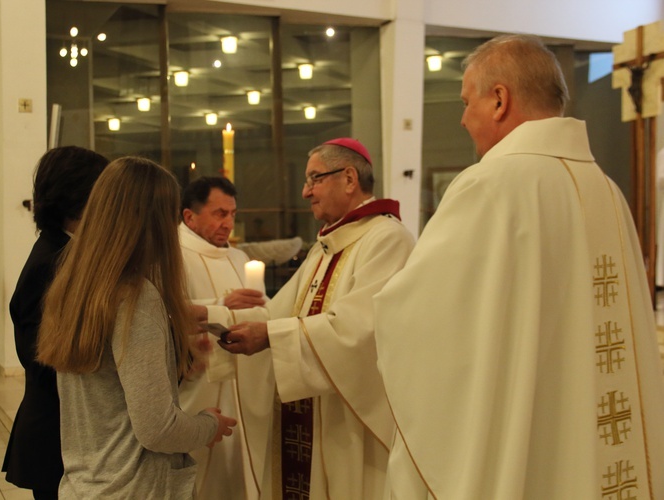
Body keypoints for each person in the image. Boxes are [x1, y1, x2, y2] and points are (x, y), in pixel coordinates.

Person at [374, 34, 664, 499]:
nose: (464, 119)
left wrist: (380, 304)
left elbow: (419, 319)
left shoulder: (491, 184)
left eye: (467, 102)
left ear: (500, 99)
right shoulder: (606, 189)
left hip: (529, 428)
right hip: (592, 432)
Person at [203, 138, 416, 499]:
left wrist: (270, 337)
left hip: (346, 425)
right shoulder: (327, 245)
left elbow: (359, 331)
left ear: (349, 178)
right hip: (310, 421)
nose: (305, 192)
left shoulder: (387, 240)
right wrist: (211, 315)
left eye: (314, 179)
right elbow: (276, 313)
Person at [35, 157, 237, 498]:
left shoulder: (75, 284)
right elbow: (157, 429)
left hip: (86, 484)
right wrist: (209, 425)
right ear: (156, 223)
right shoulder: (136, 297)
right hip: (136, 487)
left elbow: (105, 391)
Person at [2, 146, 108, 499]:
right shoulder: (52, 261)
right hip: (55, 432)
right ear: (80, 196)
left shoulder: (69, 251)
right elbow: (41, 356)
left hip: (70, 428)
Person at [178, 176, 269, 500]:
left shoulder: (239, 258)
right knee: (199, 474)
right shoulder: (173, 254)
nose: (228, 223)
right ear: (190, 216)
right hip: (196, 383)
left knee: (237, 469)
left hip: (241, 381)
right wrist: (220, 306)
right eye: (219, 213)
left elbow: (261, 306)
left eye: (232, 214)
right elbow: (163, 312)